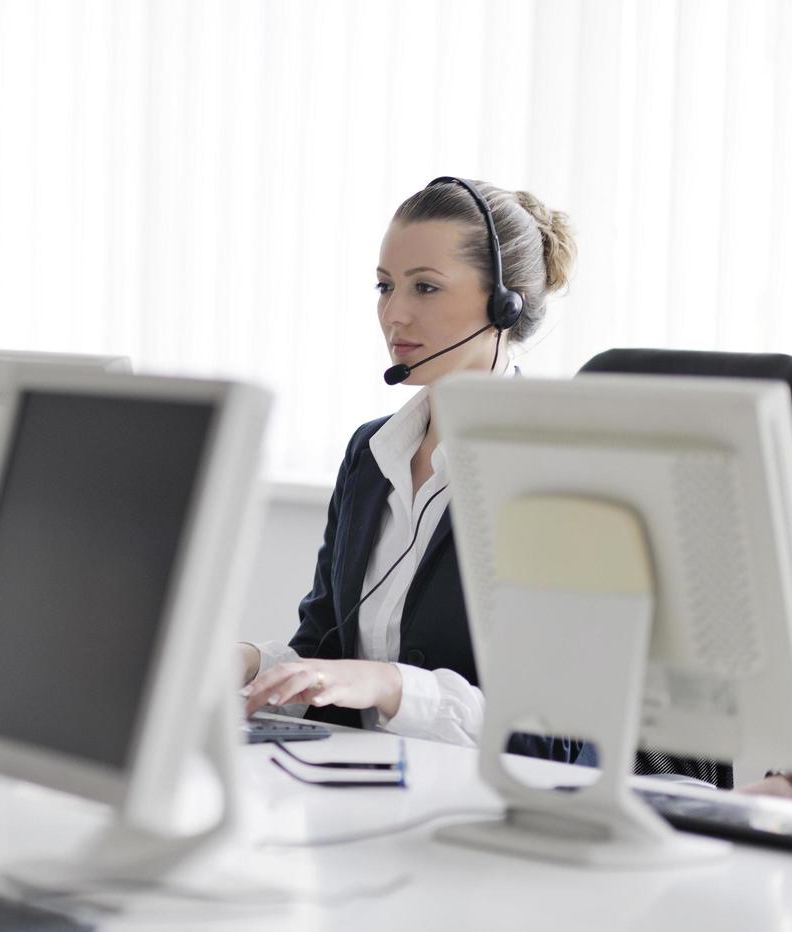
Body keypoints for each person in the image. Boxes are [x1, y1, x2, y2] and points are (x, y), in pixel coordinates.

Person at [239, 176, 586, 763]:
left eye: (425, 287)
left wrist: (392, 686)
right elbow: (324, 652)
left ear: (505, 306)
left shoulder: (556, 473)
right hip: (363, 788)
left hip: (485, 810)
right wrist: (248, 664)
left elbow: (552, 736)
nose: (393, 313)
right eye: (384, 287)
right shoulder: (372, 454)